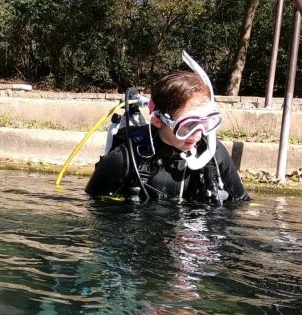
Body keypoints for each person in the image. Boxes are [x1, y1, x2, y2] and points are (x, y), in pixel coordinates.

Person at [85, 53, 250, 205]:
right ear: (158, 121)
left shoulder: (213, 154)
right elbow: (95, 207)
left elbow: (241, 204)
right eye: (187, 126)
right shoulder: (126, 157)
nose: (198, 135)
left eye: (206, 123)